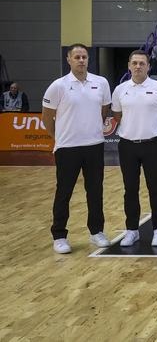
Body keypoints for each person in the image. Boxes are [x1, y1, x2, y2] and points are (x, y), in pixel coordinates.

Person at [42, 44, 112, 254]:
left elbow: (104, 110)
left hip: (94, 146)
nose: (81, 60)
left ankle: (96, 232)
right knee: (64, 192)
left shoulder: (101, 83)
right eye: (77, 57)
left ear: (88, 60)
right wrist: (59, 138)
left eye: (84, 57)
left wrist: (91, 130)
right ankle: (60, 236)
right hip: (67, 148)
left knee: (95, 191)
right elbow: (47, 116)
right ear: (69, 60)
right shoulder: (58, 85)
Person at [111, 50, 157, 248]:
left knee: (155, 188)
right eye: (135, 63)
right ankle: (132, 230)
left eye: (142, 63)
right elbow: (117, 116)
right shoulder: (120, 90)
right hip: (127, 145)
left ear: (148, 66)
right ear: (129, 66)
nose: (138, 66)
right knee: (130, 190)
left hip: (153, 145)